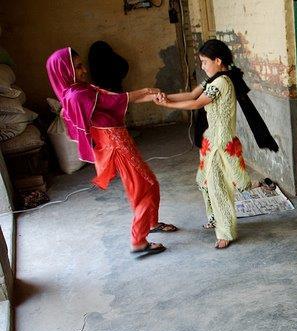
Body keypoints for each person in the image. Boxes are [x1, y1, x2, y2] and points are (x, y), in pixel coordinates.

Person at [46, 47, 177, 257]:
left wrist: (151, 95)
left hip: (120, 140)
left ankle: (150, 223)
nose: (84, 70)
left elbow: (118, 97)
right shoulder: (77, 95)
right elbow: (115, 101)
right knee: (145, 185)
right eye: (78, 67)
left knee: (143, 184)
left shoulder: (82, 88)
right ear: (64, 70)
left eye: (81, 65)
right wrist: (147, 91)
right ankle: (138, 241)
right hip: (116, 145)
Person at [153, 39, 251, 249]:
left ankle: (226, 231)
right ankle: (216, 218)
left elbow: (197, 103)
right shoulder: (213, 79)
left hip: (220, 143)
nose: (203, 66)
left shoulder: (221, 82)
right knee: (204, 182)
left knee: (218, 188)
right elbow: (190, 95)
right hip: (211, 140)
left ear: (218, 60)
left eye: (205, 62)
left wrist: (167, 104)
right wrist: (163, 96)